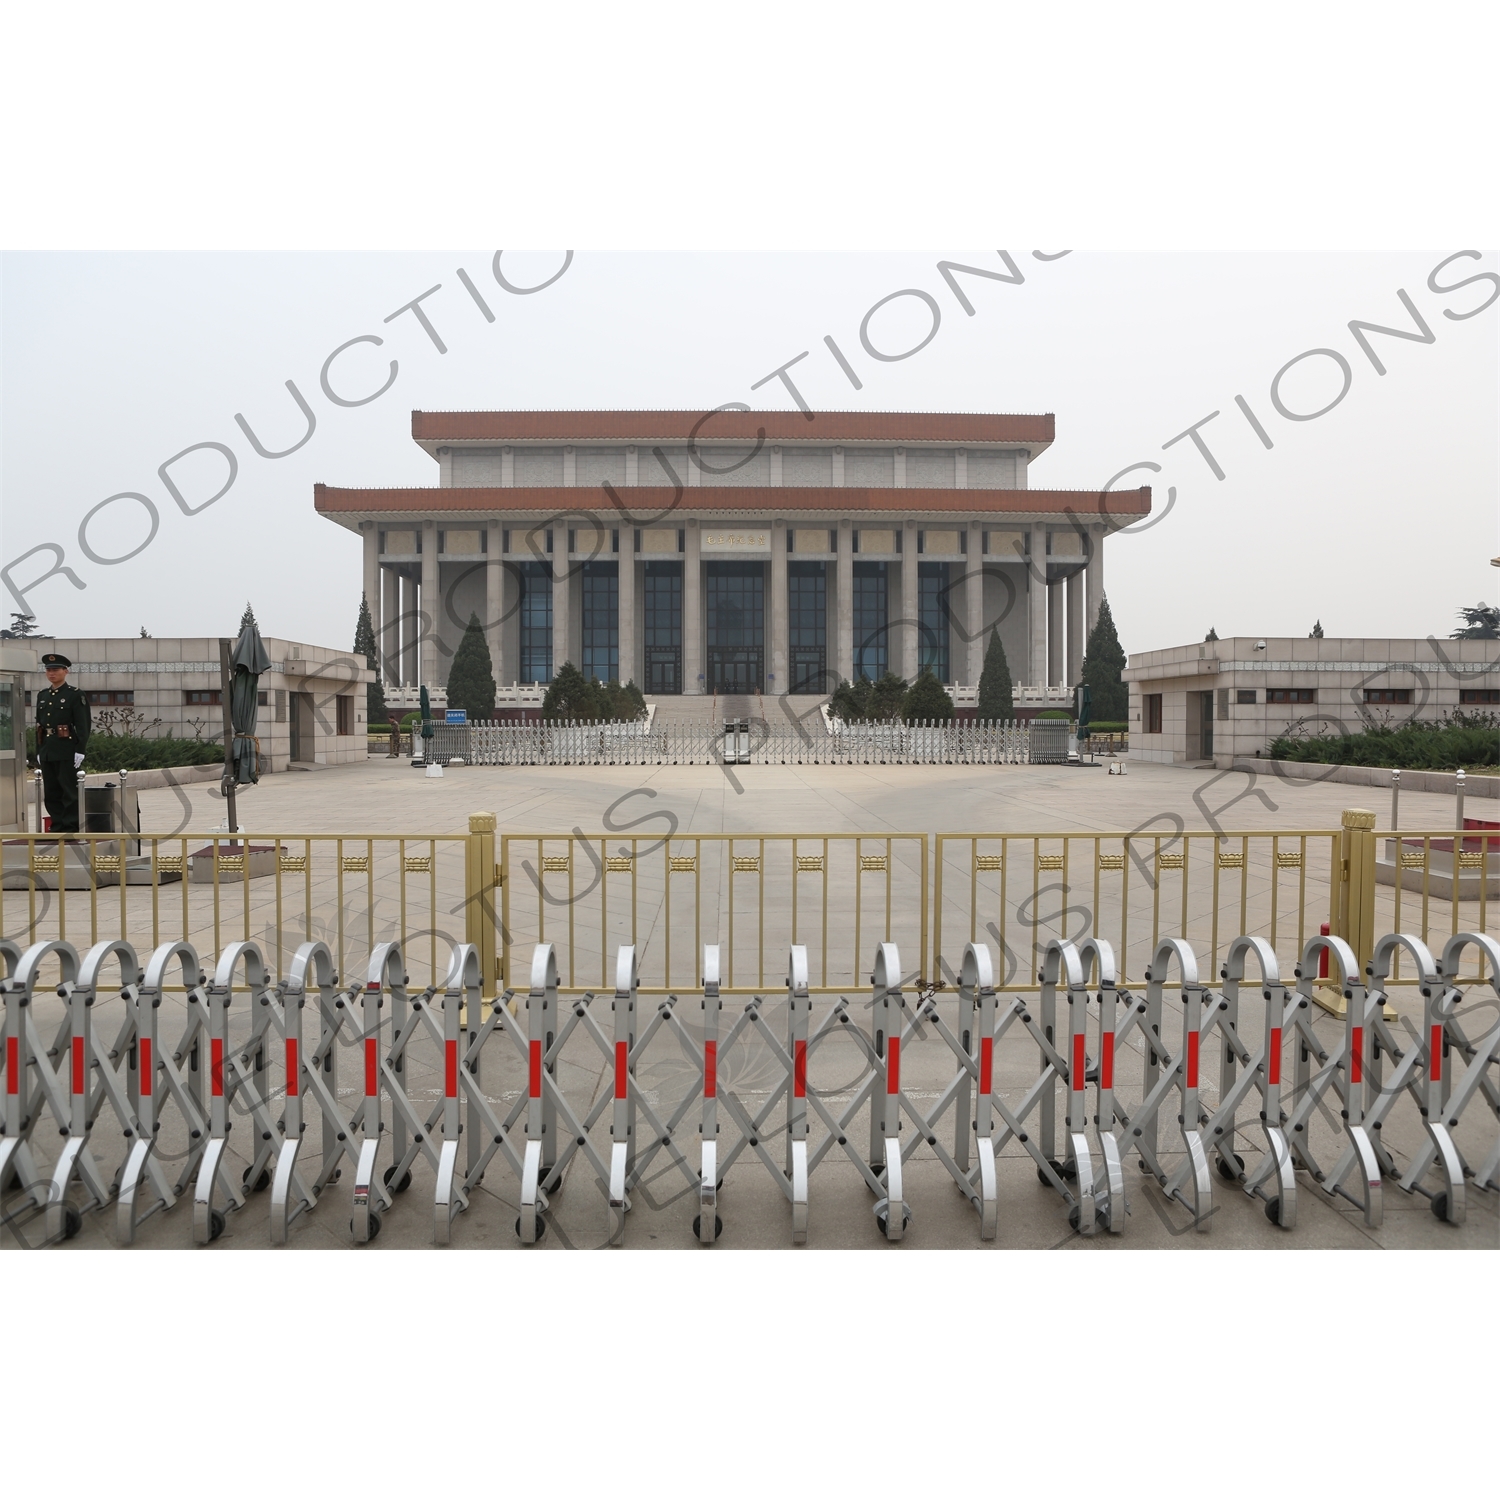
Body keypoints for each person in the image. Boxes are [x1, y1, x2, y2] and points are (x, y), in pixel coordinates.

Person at [35, 651, 90, 833]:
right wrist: (39, 749)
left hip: (67, 748)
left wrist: (80, 749)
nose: (52, 673)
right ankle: (57, 825)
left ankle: (70, 826)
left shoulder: (75, 694)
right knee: (51, 791)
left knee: (69, 791)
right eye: (48, 670)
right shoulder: (42, 695)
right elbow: (40, 725)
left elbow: (83, 724)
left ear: (66, 671)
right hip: (48, 750)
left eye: (56, 670)